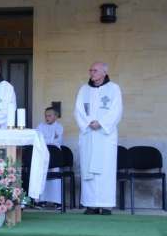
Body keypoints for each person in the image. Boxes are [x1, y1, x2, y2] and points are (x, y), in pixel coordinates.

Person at [74, 61, 122, 216]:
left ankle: (106, 206)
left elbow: (117, 110)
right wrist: (88, 124)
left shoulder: (114, 88)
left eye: (95, 70)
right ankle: (91, 205)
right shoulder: (84, 89)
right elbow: (78, 110)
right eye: (91, 70)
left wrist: (101, 123)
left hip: (105, 136)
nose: (92, 73)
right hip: (88, 133)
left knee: (104, 170)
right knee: (89, 170)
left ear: (104, 72)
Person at [34, 107, 64, 210]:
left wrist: (46, 138)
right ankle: (41, 201)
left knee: (55, 178)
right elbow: (38, 138)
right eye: (46, 115)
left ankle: (57, 202)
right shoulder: (40, 126)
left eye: (50, 115)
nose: (47, 117)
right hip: (43, 154)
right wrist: (50, 137)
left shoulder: (59, 127)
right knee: (42, 177)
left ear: (56, 116)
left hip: (54, 155)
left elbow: (56, 141)